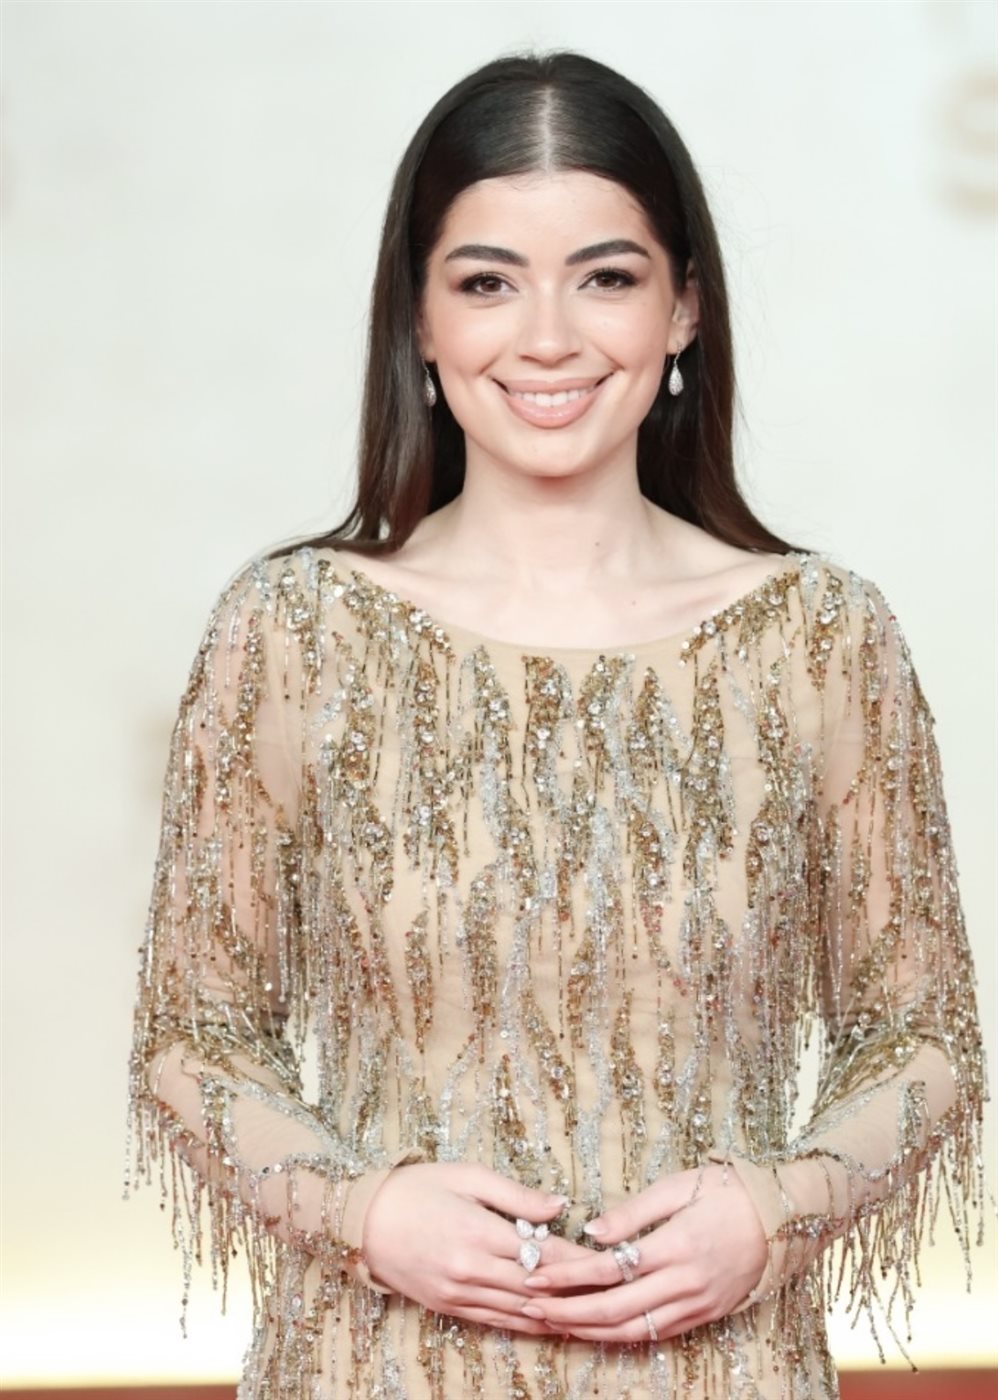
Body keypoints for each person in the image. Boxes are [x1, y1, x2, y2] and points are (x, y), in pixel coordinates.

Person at [125, 49, 988, 1400]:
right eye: (486, 282)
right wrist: (364, 1213)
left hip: (719, 1370)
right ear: (416, 320)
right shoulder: (293, 630)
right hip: (369, 1365)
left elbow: (924, 1040)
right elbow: (192, 1037)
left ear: (683, 307)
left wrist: (773, 1210)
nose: (546, 338)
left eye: (605, 277)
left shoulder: (822, 637)